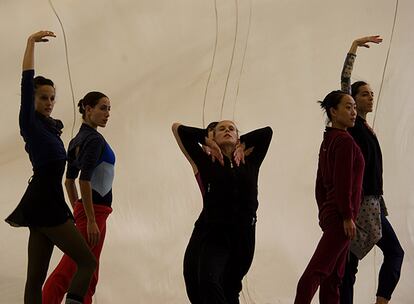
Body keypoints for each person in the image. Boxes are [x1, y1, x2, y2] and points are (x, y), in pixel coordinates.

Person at [5, 30, 96, 304]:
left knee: (35, 279)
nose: (49, 103)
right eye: (43, 97)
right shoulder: (30, 124)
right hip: (44, 202)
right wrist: (30, 44)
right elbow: (26, 81)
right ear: (32, 100)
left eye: (52, 98)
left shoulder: (51, 130)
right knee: (87, 262)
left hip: (43, 202)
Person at [172, 120, 272, 304]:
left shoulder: (250, 161)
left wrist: (242, 143)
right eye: (221, 129)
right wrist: (208, 141)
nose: (227, 130)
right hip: (215, 233)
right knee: (207, 281)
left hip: (245, 235)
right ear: (213, 136)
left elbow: (267, 132)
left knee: (231, 286)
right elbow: (179, 129)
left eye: (231, 129)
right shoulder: (206, 161)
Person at [339, 36, 404, 304]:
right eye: (364, 93)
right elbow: (344, 82)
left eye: (371, 93)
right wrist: (353, 47)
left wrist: (382, 204)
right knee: (349, 266)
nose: (370, 97)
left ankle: (381, 300)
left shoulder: (365, 127)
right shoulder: (353, 124)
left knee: (392, 253)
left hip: (374, 204)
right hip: (360, 205)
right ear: (352, 101)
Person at [42, 92, 114, 303]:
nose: (107, 113)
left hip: (91, 212)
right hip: (95, 213)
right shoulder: (94, 139)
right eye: (103, 108)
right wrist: (90, 219)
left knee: (89, 271)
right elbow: (84, 180)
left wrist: (79, 210)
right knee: (71, 269)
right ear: (88, 109)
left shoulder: (77, 140)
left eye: (109, 109)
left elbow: (68, 181)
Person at [294, 91, 365, 304]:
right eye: (348, 107)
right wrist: (346, 215)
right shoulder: (344, 141)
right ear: (333, 111)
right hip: (341, 218)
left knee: (333, 277)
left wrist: (324, 211)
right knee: (317, 270)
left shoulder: (329, 140)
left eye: (354, 107)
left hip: (332, 214)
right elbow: (344, 184)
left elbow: (320, 185)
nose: (353, 112)